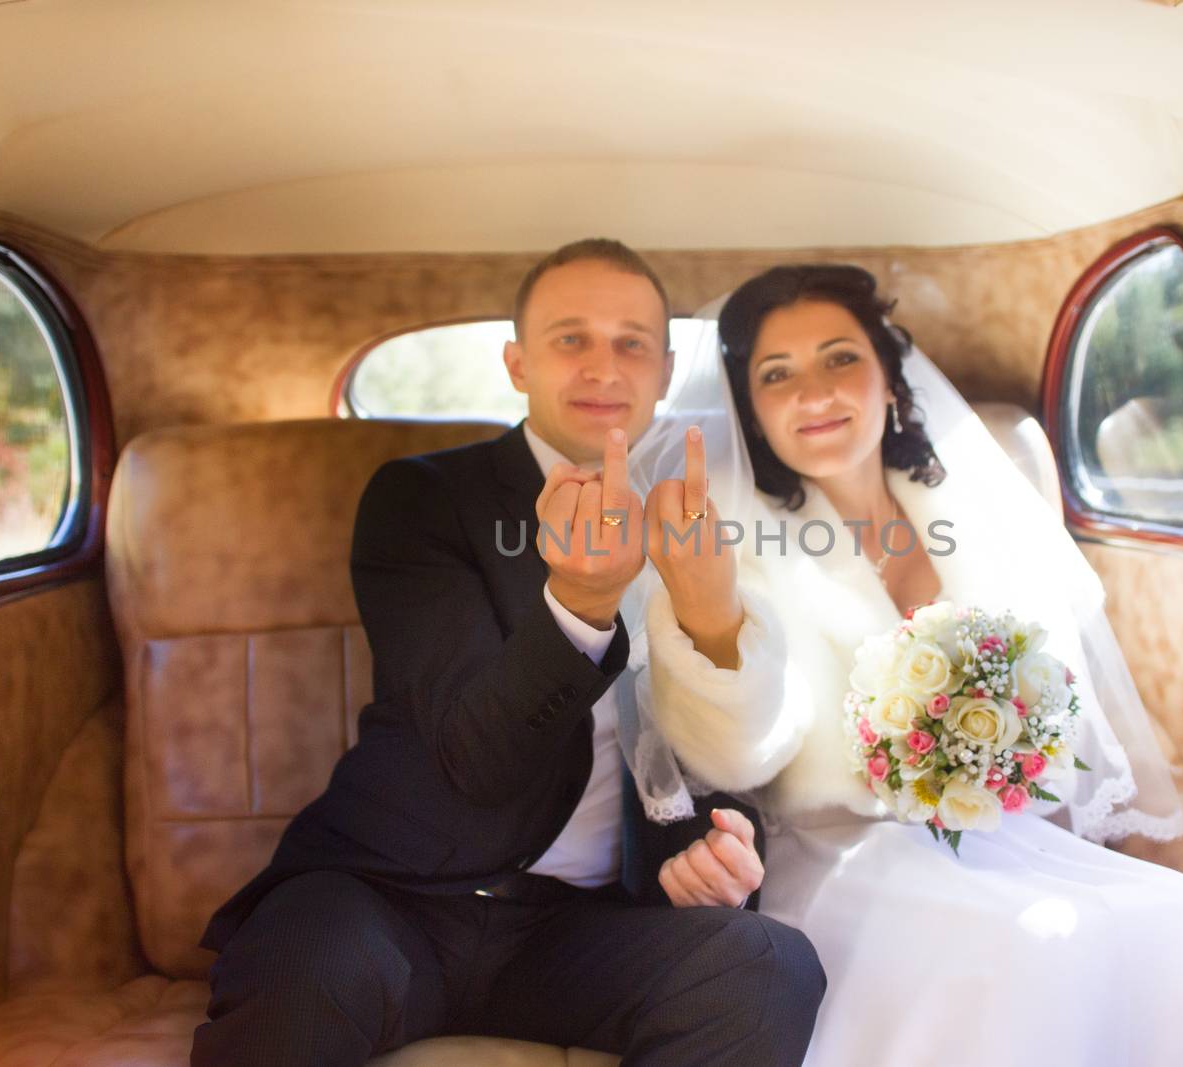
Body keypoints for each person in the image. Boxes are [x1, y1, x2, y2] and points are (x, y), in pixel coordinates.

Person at [636, 264, 1183, 1065]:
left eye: (839, 358)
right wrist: (711, 614)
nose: (813, 391)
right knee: (1039, 949)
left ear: (891, 381)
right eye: (776, 375)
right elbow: (738, 752)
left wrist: (994, 756)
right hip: (844, 854)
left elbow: (1055, 705)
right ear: (753, 411)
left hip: (999, 836)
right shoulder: (730, 537)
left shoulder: (974, 508)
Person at [190, 240, 825, 1067]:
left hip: (575, 930)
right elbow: (473, 753)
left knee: (769, 965)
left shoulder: (702, 516)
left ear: (666, 371)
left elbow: (697, 748)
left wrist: (705, 855)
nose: (605, 366)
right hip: (389, 894)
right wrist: (583, 599)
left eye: (632, 342)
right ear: (517, 363)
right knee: (304, 973)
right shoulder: (422, 498)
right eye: (572, 339)